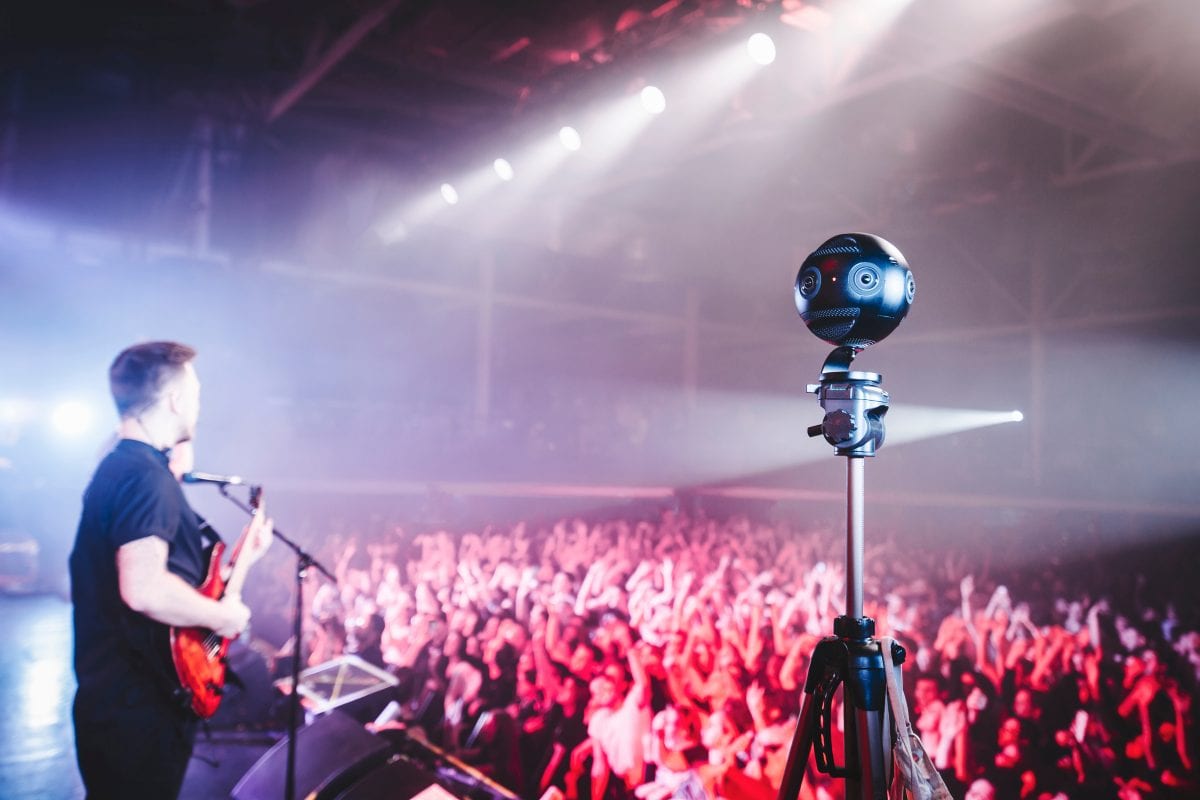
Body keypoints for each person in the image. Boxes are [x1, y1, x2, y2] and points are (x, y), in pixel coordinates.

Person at [69, 341, 272, 799]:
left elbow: (166, 583)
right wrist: (225, 619)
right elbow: (142, 589)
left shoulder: (119, 468)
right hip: (137, 708)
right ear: (176, 399)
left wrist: (244, 560)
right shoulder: (145, 476)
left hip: (119, 702)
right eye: (196, 392)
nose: (199, 404)